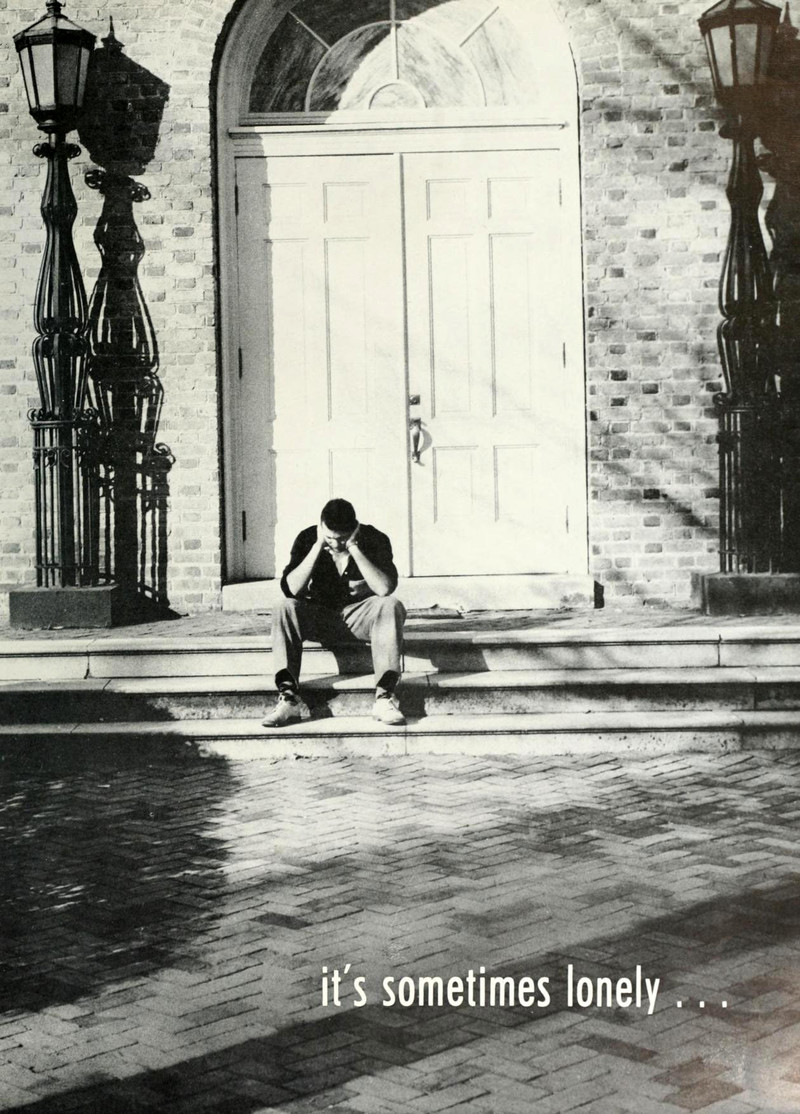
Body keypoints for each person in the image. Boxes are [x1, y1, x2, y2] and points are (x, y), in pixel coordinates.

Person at [263, 498, 407, 728]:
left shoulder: (375, 538)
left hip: (359, 619)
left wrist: (354, 548)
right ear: (321, 526)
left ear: (355, 528)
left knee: (391, 605)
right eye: (330, 537)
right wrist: (317, 546)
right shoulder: (307, 538)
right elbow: (292, 589)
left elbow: (384, 588)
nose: (336, 544)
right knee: (283, 606)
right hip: (319, 617)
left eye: (342, 538)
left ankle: (384, 698)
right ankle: (288, 698)